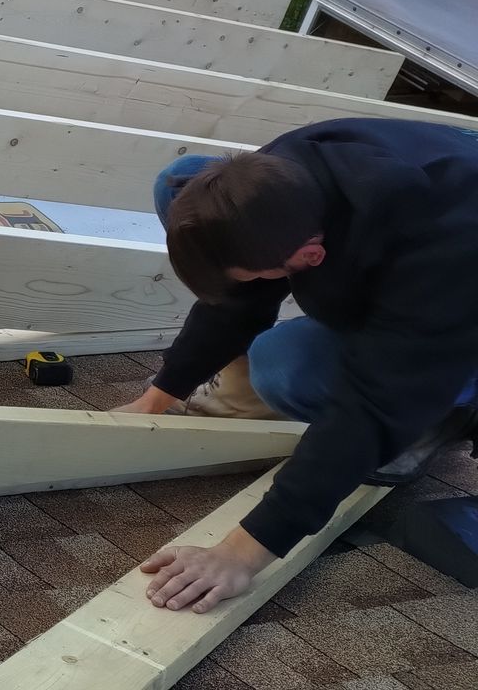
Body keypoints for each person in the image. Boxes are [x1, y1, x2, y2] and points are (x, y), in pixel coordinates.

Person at [116, 118, 478, 614]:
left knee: (289, 368)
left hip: (460, 298)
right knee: (185, 181)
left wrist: (241, 552)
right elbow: (236, 297)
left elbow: (373, 403)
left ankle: (441, 415)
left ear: (312, 253)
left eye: (265, 274)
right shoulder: (282, 168)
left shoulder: (443, 246)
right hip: (421, 210)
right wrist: (160, 396)